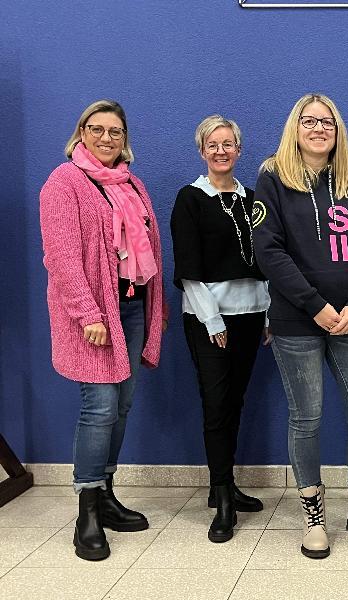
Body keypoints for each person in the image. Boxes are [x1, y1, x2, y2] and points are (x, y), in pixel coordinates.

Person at [253, 93, 348, 559]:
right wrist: (315, 305)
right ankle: (314, 514)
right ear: (296, 127)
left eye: (327, 122)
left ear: (338, 130)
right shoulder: (272, 176)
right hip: (298, 321)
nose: (318, 129)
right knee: (307, 418)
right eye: (309, 121)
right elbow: (268, 251)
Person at [40, 100, 167, 561]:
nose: (107, 138)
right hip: (95, 315)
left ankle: (108, 495)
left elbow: (148, 248)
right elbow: (62, 257)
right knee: (99, 406)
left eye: (115, 131)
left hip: (132, 306)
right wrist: (87, 313)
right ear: (81, 132)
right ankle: (87, 512)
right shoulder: (64, 182)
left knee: (123, 404)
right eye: (97, 129)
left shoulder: (131, 183)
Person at [171, 115, 270, 544]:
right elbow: (189, 269)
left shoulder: (253, 201)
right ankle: (221, 496)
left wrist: (267, 315)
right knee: (216, 403)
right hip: (208, 318)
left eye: (228, 144)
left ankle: (226, 485)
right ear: (202, 151)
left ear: (239, 150)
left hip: (251, 315)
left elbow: (266, 260)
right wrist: (213, 321)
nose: (221, 151)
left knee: (236, 400)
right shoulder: (190, 199)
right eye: (212, 145)